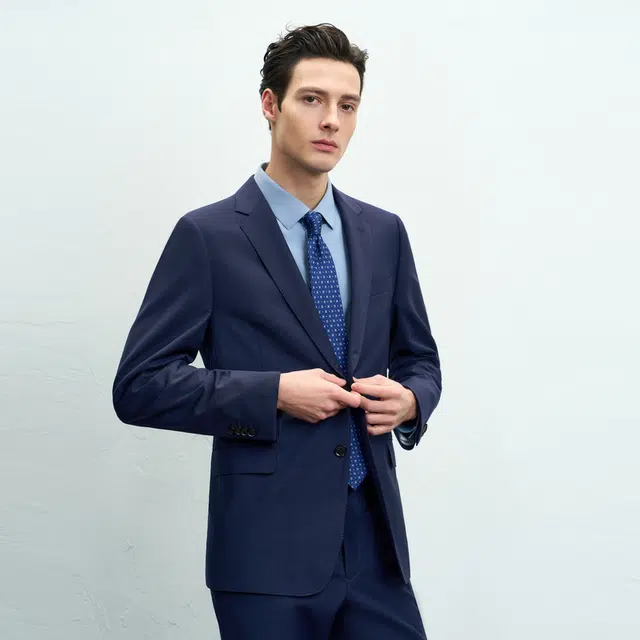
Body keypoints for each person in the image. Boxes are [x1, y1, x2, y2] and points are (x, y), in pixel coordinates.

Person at [113, 22, 442, 640]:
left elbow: (420, 360)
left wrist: (411, 401)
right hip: (265, 554)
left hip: (376, 549)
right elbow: (139, 386)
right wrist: (273, 394)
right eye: (312, 99)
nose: (331, 121)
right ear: (271, 104)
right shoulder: (208, 237)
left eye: (348, 106)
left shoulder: (384, 233)